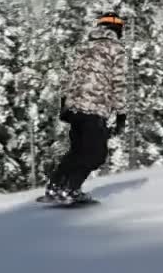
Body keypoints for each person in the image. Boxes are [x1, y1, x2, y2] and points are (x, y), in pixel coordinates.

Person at [45, 12, 128, 203]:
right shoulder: (116, 49)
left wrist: (64, 104)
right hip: (95, 109)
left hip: (74, 109)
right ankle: (71, 188)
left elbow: (70, 76)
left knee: (77, 150)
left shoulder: (84, 46)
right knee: (95, 154)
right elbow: (119, 84)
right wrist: (121, 114)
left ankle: (55, 186)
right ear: (117, 29)